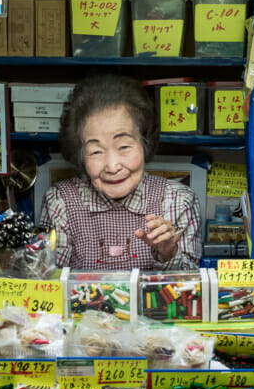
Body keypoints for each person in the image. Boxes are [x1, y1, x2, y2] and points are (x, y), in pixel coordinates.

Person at [41, 75, 202, 270]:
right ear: (80, 155)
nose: (112, 166)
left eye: (124, 146)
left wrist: (169, 254)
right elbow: (48, 280)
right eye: (96, 151)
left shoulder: (178, 200)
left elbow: (191, 289)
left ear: (145, 143)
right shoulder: (60, 202)